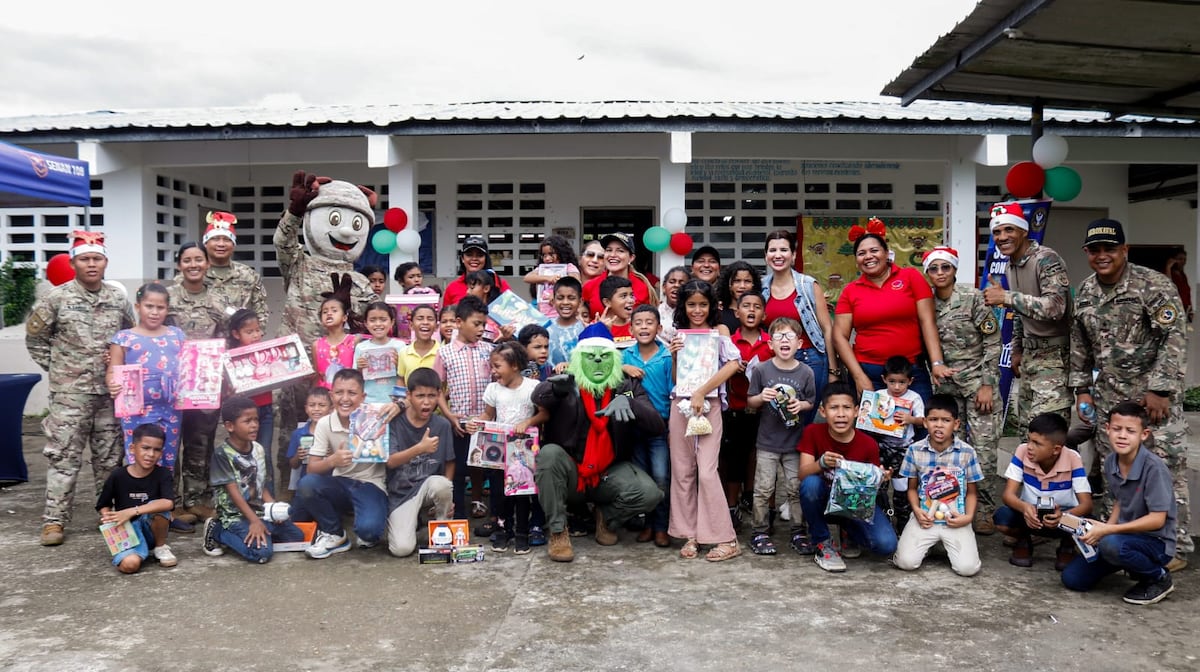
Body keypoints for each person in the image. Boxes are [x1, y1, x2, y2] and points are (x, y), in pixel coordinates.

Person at [1069, 219, 1191, 571]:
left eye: (1110, 248)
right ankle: (1115, 537)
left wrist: (1160, 388)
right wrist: (1081, 390)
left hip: (1153, 399)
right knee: (1116, 473)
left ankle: (1175, 546)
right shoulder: (1088, 291)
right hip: (1109, 397)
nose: (1102, 255)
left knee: (1166, 469)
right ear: (1087, 254)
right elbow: (1080, 346)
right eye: (1095, 250)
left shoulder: (1153, 287)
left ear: (1124, 250)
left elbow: (1175, 339)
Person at [27, 231, 133, 546]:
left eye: (96, 259)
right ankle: (54, 521)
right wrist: (59, 368)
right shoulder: (56, 298)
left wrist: (117, 362)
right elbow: (35, 339)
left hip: (107, 394)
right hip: (69, 396)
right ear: (74, 262)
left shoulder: (117, 299)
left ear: (105, 263)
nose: (91, 264)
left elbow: (129, 336)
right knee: (63, 458)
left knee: (109, 459)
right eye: (85, 259)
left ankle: (109, 513)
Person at [532, 323, 665, 562]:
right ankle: (558, 531)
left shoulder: (626, 386)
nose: (596, 362)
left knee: (649, 493)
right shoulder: (566, 382)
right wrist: (557, 390)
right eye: (589, 357)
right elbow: (538, 396)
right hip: (571, 470)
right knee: (549, 455)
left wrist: (629, 403)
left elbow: (656, 425)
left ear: (614, 360)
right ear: (578, 360)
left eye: (603, 357)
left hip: (609, 470)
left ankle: (606, 518)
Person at [1061, 402, 1179, 605]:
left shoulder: (1154, 469)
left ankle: (1158, 576)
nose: (1122, 435)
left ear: (1144, 434)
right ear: (1107, 429)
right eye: (1117, 429)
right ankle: (1126, 560)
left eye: (1130, 431)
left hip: (1155, 542)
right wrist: (1105, 528)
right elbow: (1120, 500)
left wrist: (1109, 530)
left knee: (1111, 543)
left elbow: (1157, 520)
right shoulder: (1111, 461)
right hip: (1123, 538)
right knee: (1073, 578)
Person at [923, 246, 1003, 534]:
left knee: (983, 453)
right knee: (949, 454)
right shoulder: (926, 304)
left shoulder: (972, 299)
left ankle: (984, 511)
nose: (940, 273)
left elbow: (993, 343)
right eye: (934, 268)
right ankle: (952, 506)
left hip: (978, 387)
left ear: (955, 270)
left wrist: (987, 384)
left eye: (945, 267)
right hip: (946, 391)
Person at [834, 220, 949, 404]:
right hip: (869, 373)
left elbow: (928, 322)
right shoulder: (850, 291)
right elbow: (839, 336)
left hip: (911, 372)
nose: (868, 256)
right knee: (873, 431)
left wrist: (937, 362)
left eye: (874, 250)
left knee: (920, 427)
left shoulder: (911, 277)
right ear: (856, 260)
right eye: (861, 253)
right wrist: (858, 377)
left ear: (887, 253)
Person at [668, 280, 743, 562]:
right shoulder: (679, 334)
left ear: (712, 306)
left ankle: (725, 537)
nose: (697, 310)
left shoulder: (719, 331)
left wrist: (701, 391)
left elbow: (734, 364)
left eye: (703, 304)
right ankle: (689, 534)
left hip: (708, 405)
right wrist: (675, 355)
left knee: (708, 470)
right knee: (683, 469)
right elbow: (677, 380)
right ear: (683, 307)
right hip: (681, 405)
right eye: (691, 304)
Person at [983, 202, 1072, 428]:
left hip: (1054, 356)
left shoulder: (1045, 258)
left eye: (1009, 230)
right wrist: (1017, 349)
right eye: (997, 232)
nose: (1002, 237)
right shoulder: (1011, 265)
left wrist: (1007, 297)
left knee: (1048, 433)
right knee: (1028, 431)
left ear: (1023, 231)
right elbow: (1021, 314)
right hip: (1030, 358)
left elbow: (1055, 307)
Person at [797, 382, 898, 570]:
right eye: (834, 408)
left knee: (886, 545)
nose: (841, 414)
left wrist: (881, 477)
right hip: (824, 500)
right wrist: (821, 463)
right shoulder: (812, 432)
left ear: (857, 411)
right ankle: (823, 542)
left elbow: (870, 492)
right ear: (823, 411)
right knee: (810, 484)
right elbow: (802, 474)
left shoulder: (868, 444)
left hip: (855, 503)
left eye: (847, 408)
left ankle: (848, 531)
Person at [296, 369, 390, 558]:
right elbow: (311, 468)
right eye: (339, 392)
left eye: (352, 393)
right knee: (307, 484)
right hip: (340, 482)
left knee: (369, 532)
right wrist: (333, 460)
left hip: (371, 484)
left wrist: (398, 406)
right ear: (331, 395)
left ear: (363, 397)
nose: (345, 399)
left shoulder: (377, 417)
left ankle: (371, 521)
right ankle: (334, 533)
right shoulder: (324, 423)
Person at [202, 395, 305, 563]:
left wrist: (273, 510)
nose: (254, 425)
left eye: (256, 420)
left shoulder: (258, 449)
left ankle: (259, 533)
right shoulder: (222, 454)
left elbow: (261, 485)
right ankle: (218, 531)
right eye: (247, 421)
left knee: (296, 537)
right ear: (229, 426)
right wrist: (254, 522)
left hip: (258, 511)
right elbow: (234, 493)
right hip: (234, 516)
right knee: (262, 553)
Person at [167, 241, 227, 523]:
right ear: (179, 264)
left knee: (200, 443)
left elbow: (228, 338)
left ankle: (196, 499)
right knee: (168, 443)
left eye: (198, 260)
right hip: (170, 384)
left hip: (204, 383)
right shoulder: (167, 297)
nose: (193, 265)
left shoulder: (218, 299)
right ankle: (170, 502)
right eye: (187, 260)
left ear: (207, 264)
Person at [469, 342, 548, 554]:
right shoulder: (493, 389)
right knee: (499, 494)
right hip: (498, 452)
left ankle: (522, 533)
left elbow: (544, 413)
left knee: (521, 493)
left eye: (497, 366)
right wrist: (476, 422)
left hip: (523, 452)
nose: (493, 371)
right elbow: (488, 414)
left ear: (514, 365)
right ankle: (504, 531)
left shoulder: (532, 387)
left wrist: (529, 422)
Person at [746, 317, 815, 556]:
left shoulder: (806, 372)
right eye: (778, 336)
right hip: (767, 443)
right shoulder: (761, 370)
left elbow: (811, 401)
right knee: (763, 489)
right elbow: (750, 401)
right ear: (770, 344)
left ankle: (798, 531)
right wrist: (760, 398)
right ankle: (759, 531)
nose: (784, 340)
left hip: (795, 444)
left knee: (795, 488)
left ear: (800, 343)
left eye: (790, 336)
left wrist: (801, 406)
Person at [893, 394, 983, 577]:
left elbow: (972, 492)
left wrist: (968, 517)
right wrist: (917, 510)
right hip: (925, 518)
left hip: (955, 520)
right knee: (906, 563)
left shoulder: (967, 452)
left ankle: (947, 544)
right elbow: (911, 488)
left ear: (956, 424)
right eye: (933, 420)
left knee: (968, 569)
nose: (939, 425)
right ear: (925, 422)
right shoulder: (915, 450)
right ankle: (926, 544)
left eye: (946, 420)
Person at [994, 413, 1093, 570]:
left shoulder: (1072, 458)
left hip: (1062, 518)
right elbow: (1008, 495)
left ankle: (1067, 545)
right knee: (1002, 517)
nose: (1030, 447)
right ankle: (1024, 540)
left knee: (1088, 524)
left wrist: (1063, 517)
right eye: (1029, 440)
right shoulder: (1022, 451)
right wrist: (1024, 508)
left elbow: (1086, 504)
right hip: (1030, 516)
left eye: (1037, 443)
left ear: (1056, 449)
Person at [107, 283, 185, 477]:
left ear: (167, 309)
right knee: (140, 458)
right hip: (136, 411)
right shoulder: (123, 339)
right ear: (137, 306)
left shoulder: (177, 335)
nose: (154, 312)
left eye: (160, 307)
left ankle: (163, 504)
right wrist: (112, 383)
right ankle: (139, 505)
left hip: (171, 410)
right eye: (149, 306)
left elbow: (189, 367)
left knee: (167, 457)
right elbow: (112, 370)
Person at [761, 230, 836, 421]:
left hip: (809, 360)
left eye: (784, 250)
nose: (778, 255)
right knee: (777, 418)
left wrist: (833, 371)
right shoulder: (760, 287)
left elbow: (827, 329)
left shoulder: (808, 285)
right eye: (772, 250)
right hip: (773, 361)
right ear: (766, 256)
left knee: (804, 419)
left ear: (793, 256)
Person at [433, 296, 496, 522]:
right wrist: (449, 416)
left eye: (483, 325)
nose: (481, 329)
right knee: (459, 467)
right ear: (459, 322)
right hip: (458, 422)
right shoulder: (445, 353)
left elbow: (497, 383)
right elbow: (437, 389)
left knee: (481, 464)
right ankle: (458, 509)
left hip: (485, 419)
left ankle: (478, 500)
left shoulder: (489, 350)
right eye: (476, 324)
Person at [384, 368, 455, 558]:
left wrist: (448, 499)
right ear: (409, 395)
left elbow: (449, 462)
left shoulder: (442, 425)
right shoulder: (395, 422)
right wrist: (420, 448)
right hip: (401, 493)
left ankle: (442, 529)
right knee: (401, 549)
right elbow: (390, 462)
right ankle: (409, 521)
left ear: (439, 395)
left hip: (427, 486)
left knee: (442, 485)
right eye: (420, 396)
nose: (426, 402)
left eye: (432, 396)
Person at [621, 304, 674, 548]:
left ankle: (661, 526)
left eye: (649, 322)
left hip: (659, 427)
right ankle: (648, 524)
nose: (644, 327)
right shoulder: (625, 356)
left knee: (661, 477)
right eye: (638, 323)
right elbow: (608, 371)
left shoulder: (665, 357)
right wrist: (623, 367)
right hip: (634, 426)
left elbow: (674, 385)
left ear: (659, 328)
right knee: (642, 478)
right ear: (631, 329)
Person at [96, 423, 177, 573]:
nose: (151, 454)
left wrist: (133, 511)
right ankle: (137, 551)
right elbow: (103, 504)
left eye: (157, 450)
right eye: (145, 448)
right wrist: (110, 522)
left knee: (159, 506)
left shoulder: (163, 474)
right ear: (133, 448)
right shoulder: (117, 476)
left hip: (150, 528)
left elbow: (168, 503)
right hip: (127, 529)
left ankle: (160, 547)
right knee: (129, 566)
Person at [722, 291, 770, 528]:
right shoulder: (728, 342)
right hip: (735, 407)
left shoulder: (770, 343)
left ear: (764, 313)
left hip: (764, 410)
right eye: (747, 306)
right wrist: (732, 368)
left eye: (757, 307)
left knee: (759, 455)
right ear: (737, 312)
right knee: (735, 458)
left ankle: (752, 498)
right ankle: (732, 506)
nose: (751, 311)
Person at [872, 356, 926, 534]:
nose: (896, 387)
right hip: (882, 446)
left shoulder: (914, 397)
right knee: (880, 484)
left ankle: (903, 521)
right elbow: (870, 420)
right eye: (892, 382)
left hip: (905, 448)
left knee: (902, 487)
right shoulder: (879, 396)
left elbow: (923, 421)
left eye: (901, 382)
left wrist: (910, 419)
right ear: (884, 380)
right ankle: (883, 519)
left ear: (910, 381)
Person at [201, 211, 270, 335]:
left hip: (240, 346)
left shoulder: (248, 275)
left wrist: (253, 337)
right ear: (206, 243)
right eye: (215, 239)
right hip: (205, 347)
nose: (221, 244)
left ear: (233, 245)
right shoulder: (196, 275)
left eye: (227, 239)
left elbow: (261, 313)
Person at [226, 309, 275, 468]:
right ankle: (245, 492)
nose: (255, 335)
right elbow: (228, 390)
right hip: (242, 413)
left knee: (264, 453)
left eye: (257, 330)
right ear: (236, 334)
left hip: (265, 408)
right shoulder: (230, 357)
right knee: (242, 453)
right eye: (249, 332)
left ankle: (267, 492)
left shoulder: (268, 351)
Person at [581, 233, 658, 319]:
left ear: (631, 258)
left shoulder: (642, 287)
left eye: (620, 251)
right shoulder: (590, 286)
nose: (613, 255)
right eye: (609, 250)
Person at [354, 302, 405, 404]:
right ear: (366, 324)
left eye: (383, 319)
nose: (378, 324)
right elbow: (356, 378)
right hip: (368, 401)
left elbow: (406, 375)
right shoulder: (361, 347)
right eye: (372, 320)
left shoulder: (400, 346)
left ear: (392, 322)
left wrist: (399, 365)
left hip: (394, 402)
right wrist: (359, 368)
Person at [286, 387, 333, 496]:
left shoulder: (335, 432)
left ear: (331, 409)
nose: (316, 409)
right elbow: (293, 465)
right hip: (305, 484)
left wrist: (332, 455)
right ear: (306, 409)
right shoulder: (298, 434)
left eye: (322, 405)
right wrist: (298, 455)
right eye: (312, 405)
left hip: (331, 484)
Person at [442, 235, 512, 307]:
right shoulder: (452, 287)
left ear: (485, 258)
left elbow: (512, 312)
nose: (474, 258)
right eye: (469, 255)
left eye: (479, 255)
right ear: (462, 258)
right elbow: (446, 316)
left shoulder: (500, 284)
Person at [314, 291, 362, 390]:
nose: (329, 314)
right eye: (325, 312)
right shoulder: (317, 345)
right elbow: (317, 376)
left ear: (344, 317)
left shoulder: (355, 341)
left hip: (349, 394)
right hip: (326, 396)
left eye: (334, 310)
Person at [523, 234, 580, 317]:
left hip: (563, 313)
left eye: (551, 254)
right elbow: (527, 278)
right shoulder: (542, 269)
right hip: (544, 312)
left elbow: (576, 283)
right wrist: (548, 278)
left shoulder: (569, 267)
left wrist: (558, 293)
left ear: (561, 253)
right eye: (544, 255)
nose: (547, 258)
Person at [546, 276, 585, 373]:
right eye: (560, 298)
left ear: (580, 302)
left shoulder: (585, 328)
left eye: (571, 298)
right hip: (549, 383)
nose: (565, 302)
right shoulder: (545, 327)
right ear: (553, 301)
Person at [397, 304, 441, 384]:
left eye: (430, 319)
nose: (425, 322)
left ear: (436, 326)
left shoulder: (443, 352)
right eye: (420, 318)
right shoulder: (404, 352)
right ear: (411, 325)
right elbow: (401, 379)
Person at [716, 260, 761, 333]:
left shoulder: (759, 312)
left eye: (747, 281)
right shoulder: (718, 313)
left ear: (754, 284)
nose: (742, 286)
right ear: (728, 284)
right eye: (737, 281)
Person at [598, 275, 636, 348]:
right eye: (623, 296)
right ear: (607, 302)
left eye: (631, 295)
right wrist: (600, 330)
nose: (631, 300)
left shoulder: (638, 325)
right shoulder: (596, 327)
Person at [658, 266, 691, 342]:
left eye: (682, 283)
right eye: (672, 282)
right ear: (664, 287)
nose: (676, 285)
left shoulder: (694, 313)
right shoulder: (655, 313)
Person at [1164, 247, 1192, 323]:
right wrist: (1168, 267)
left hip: (1184, 310)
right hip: (1173, 309)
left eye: (1184, 259)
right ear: (1173, 260)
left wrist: (1190, 309)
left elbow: (1187, 292)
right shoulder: (1168, 274)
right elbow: (1169, 287)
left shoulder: (1183, 275)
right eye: (1180, 259)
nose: (1183, 262)